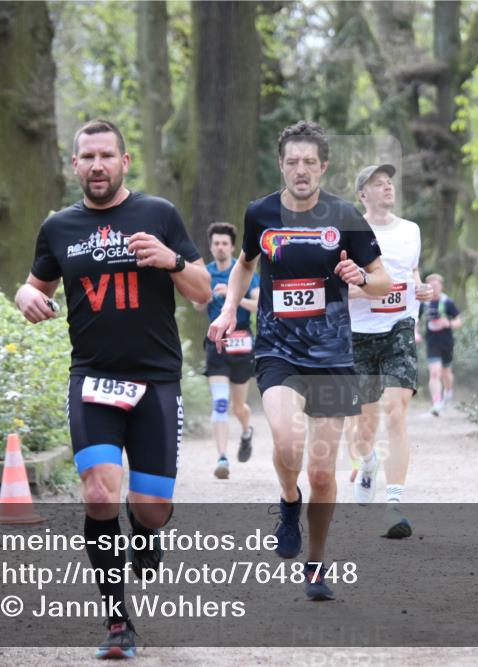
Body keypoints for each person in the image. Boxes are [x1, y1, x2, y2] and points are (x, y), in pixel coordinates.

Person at [15, 119, 210, 658]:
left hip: (155, 381)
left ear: (125, 162)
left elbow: (202, 290)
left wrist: (170, 260)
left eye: (106, 156)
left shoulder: (158, 215)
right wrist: (24, 298)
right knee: (100, 494)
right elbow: (34, 285)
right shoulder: (59, 226)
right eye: (87, 157)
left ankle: (147, 533)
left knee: (150, 508)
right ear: (74, 165)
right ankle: (117, 622)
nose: (97, 165)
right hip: (93, 379)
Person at [207, 121, 391, 601]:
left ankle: (316, 563)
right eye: (293, 161)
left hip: (331, 355)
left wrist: (359, 276)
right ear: (281, 165)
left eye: (310, 161)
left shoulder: (344, 214)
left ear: (324, 166)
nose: (301, 170)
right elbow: (246, 262)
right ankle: (289, 501)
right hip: (277, 350)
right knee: (289, 445)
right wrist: (230, 309)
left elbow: (383, 281)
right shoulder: (260, 213)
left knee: (324, 471)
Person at [346, 164, 433, 538]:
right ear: (362, 195)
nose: (387, 188)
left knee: (396, 413)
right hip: (358, 333)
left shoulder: (410, 230)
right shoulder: (348, 233)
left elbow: (412, 273)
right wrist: (375, 288)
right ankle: (367, 464)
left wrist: (421, 287)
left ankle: (394, 504)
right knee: (363, 428)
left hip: (399, 328)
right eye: (377, 184)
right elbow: (337, 289)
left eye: (389, 183)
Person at [194, 221, 260, 479]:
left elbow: (259, 304)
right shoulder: (206, 273)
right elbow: (197, 304)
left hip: (241, 340)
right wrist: (207, 296)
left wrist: (232, 298)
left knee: (238, 406)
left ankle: (246, 431)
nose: (220, 247)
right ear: (211, 247)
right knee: (220, 402)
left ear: (232, 247)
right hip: (216, 342)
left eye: (225, 243)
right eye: (216, 243)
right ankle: (222, 458)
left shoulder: (243, 271)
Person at [416, 274, 462, 416]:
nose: (434, 288)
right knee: (435, 372)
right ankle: (436, 403)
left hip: (446, 341)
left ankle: (448, 394)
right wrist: (415, 333)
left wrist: (448, 323)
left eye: (436, 286)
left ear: (441, 286)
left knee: (446, 373)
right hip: (432, 342)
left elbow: (458, 321)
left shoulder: (447, 302)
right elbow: (415, 319)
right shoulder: (424, 304)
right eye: (431, 286)